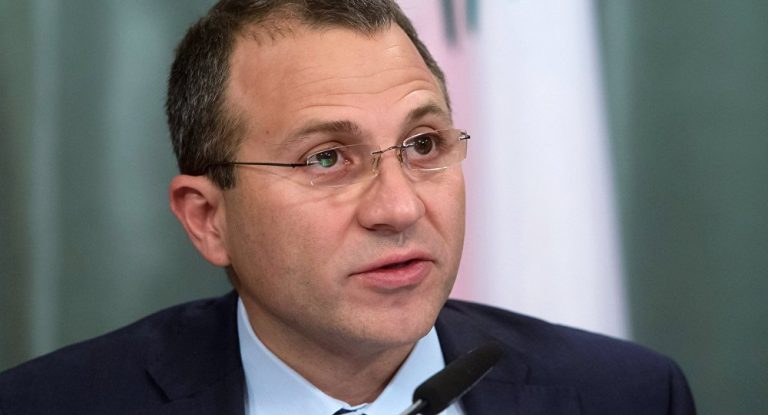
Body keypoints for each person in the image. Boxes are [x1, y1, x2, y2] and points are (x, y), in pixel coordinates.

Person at [0, 1, 696, 414]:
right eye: (327, 158)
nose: (399, 207)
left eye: (423, 144)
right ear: (208, 218)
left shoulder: (628, 395)